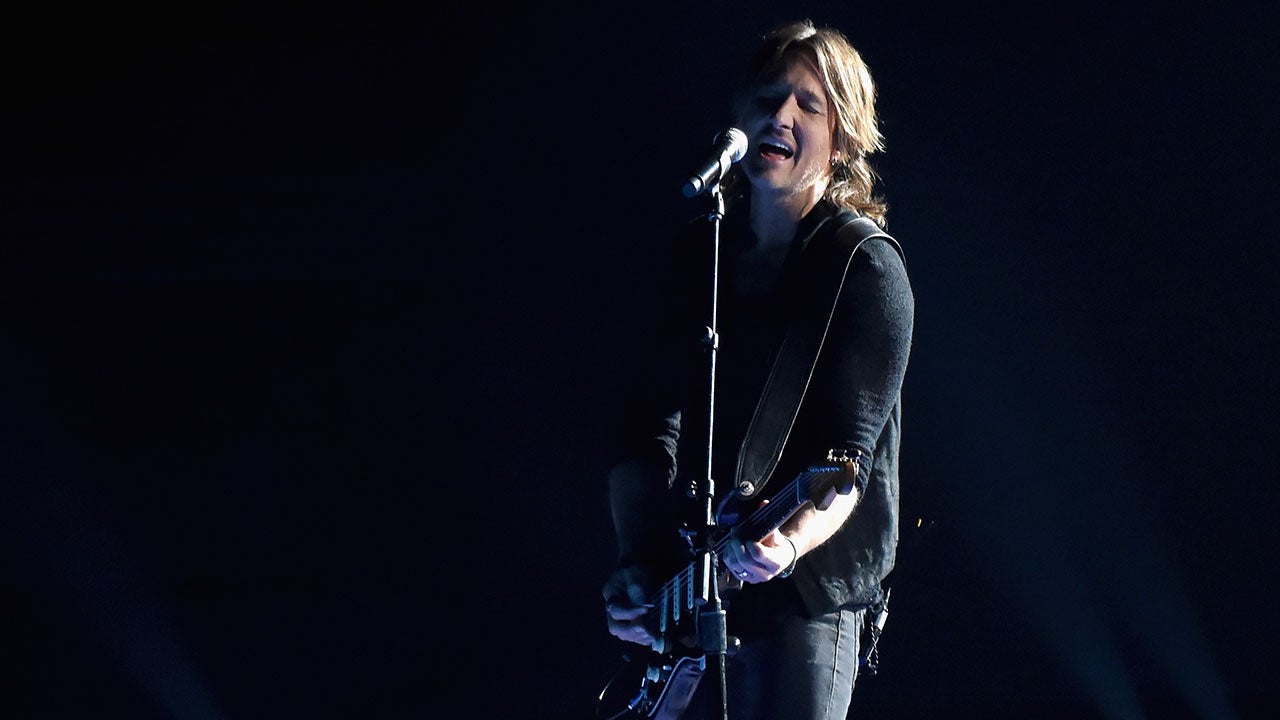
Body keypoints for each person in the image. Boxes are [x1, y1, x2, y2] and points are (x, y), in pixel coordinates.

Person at [598, 18, 914, 720]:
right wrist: (640, 563)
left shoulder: (863, 268)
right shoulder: (702, 255)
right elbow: (644, 429)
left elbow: (847, 462)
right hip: (698, 583)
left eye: (809, 105)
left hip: (807, 596)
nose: (781, 116)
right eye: (769, 98)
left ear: (842, 140)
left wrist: (789, 543)